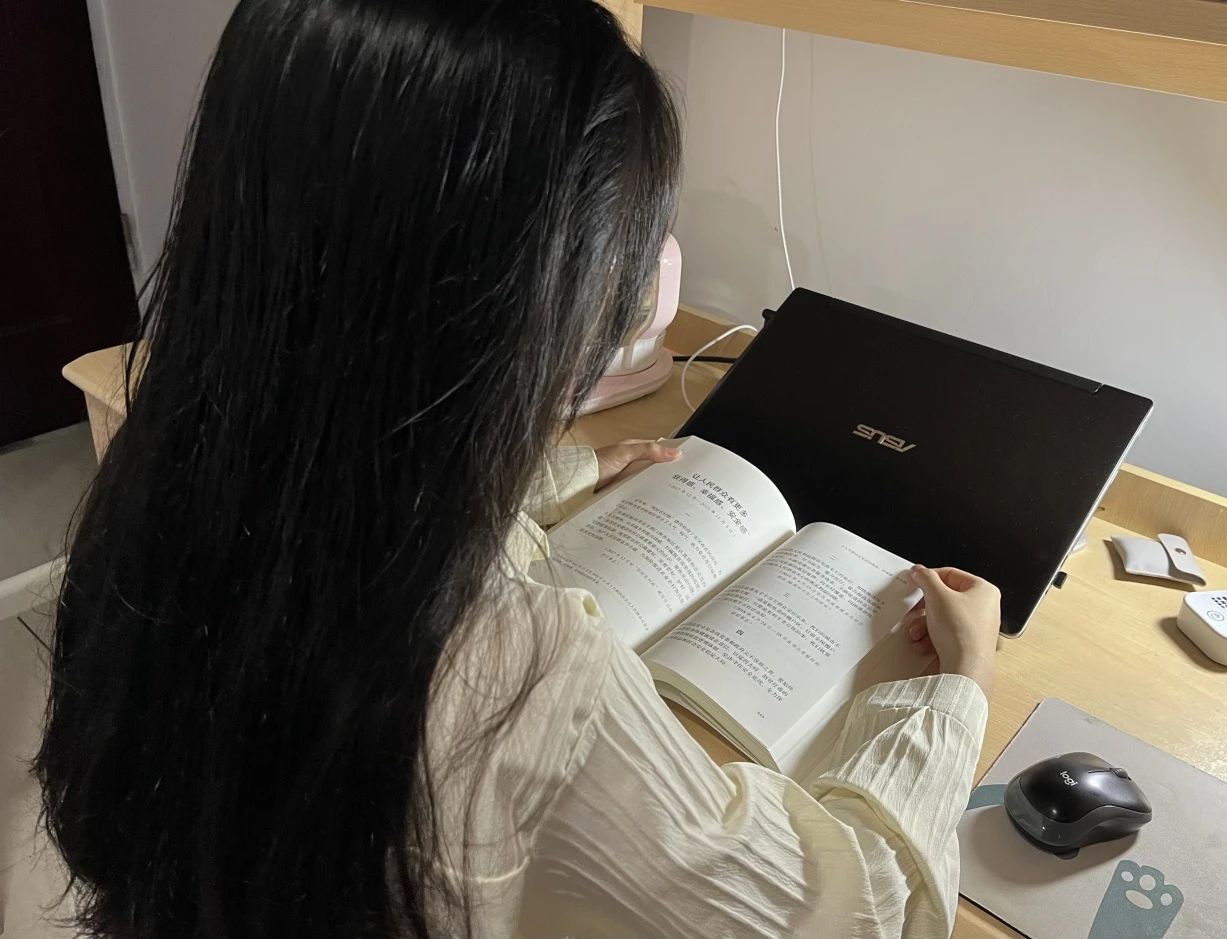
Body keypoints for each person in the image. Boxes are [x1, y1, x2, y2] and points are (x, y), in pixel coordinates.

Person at [34, 1, 1000, 937]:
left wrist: (555, 477)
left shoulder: (170, 473)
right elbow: (849, 914)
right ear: (512, 314)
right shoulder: (517, 674)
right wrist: (950, 693)